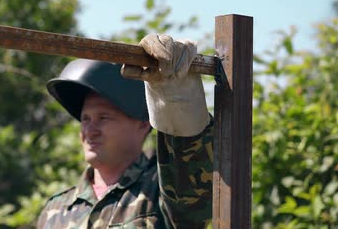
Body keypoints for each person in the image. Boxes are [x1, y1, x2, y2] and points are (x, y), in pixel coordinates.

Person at [37, 34, 213, 228]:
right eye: (85, 119)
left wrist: (174, 97)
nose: (90, 130)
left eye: (103, 118)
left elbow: (192, 200)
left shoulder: (163, 191)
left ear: (142, 123)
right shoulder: (57, 209)